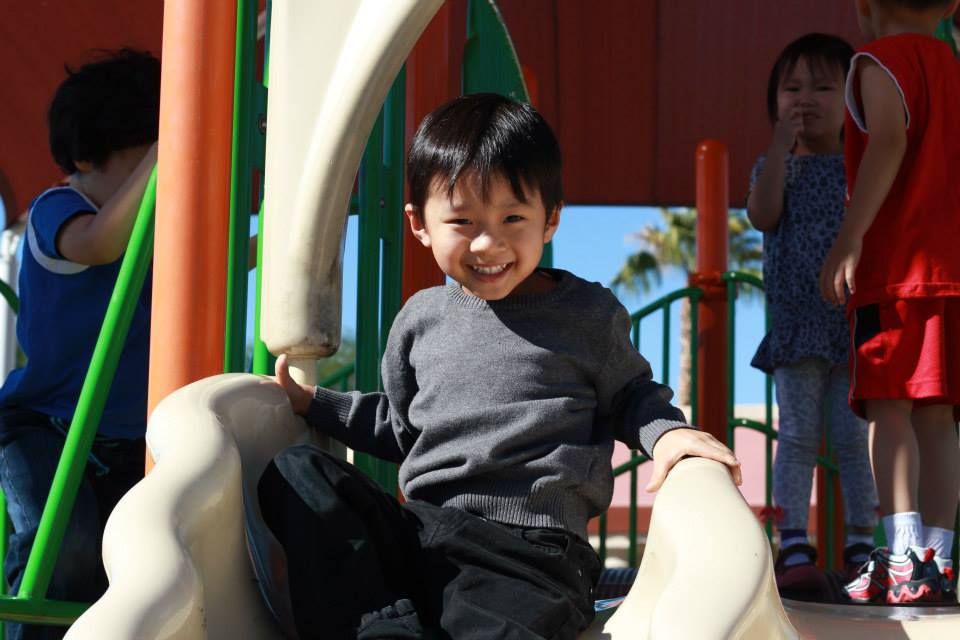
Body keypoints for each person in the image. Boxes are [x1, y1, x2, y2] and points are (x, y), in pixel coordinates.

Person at [262, 93, 742, 639]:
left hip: (528, 553)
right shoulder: (419, 320)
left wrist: (669, 436)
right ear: (420, 223)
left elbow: (631, 395)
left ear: (551, 219)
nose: (489, 242)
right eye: (463, 220)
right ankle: (384, 627)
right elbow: (403, 429)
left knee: (487, 626)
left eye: (513, 217)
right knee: (296, 474)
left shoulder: (584, 314)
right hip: (425, 533)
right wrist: (314, 404)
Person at [0, 49, 159, 637]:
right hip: (42, 423)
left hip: (122, 437)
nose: (153, 188)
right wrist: (167, 150)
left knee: (128, 564)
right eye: (141, 167)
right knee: (62, 548)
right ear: (86, 158)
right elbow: (96, 245)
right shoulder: (59, 208)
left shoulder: (149, 228)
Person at [820, 0, 960, 604]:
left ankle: (901, 554)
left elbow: (889, 143)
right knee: (938, 416)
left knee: (889, 410)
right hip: (951, 272)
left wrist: (849, 238)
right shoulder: (953, 68)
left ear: (865, 5)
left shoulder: (877, 62)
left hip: (897, 270)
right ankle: (937, 561)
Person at [746, 33, 879, 599]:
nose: (806, 97)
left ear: (851, 101)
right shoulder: (772, 166)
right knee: (797, 436)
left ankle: (862, 543)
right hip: (799, 325)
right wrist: (780, 147)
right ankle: (794, 540)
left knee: (856, 440)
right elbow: (762, 213)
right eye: (792, 87)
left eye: (824, 87)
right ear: (774, 102)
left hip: (852, 326)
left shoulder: (865, 168)